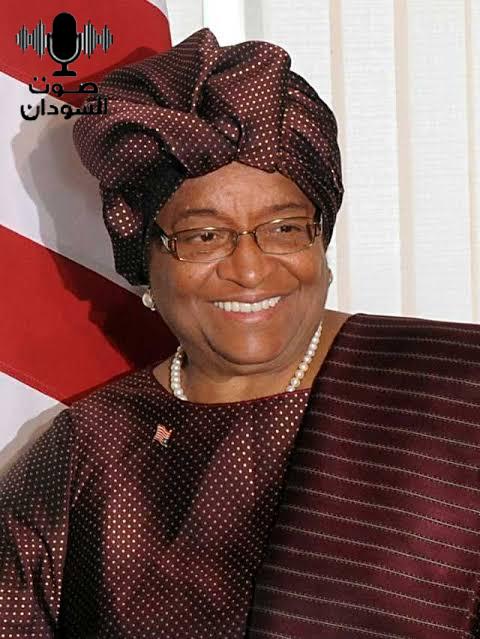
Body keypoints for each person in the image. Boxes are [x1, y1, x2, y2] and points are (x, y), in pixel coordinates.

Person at [1, 27, 479, 639]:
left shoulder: (458, 390)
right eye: (204, 236)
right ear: (145, 259)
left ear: (321, 241)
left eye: (284, 229)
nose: (250, 270)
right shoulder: (86, 452)